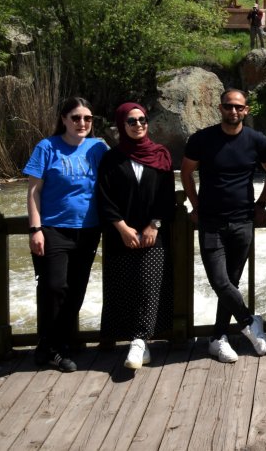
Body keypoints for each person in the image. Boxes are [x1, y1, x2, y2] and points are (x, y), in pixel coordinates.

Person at [181, 89, 266, 363]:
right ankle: (249, 321)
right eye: (227, 106)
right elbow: (186, 172)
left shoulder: (257, 141)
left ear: (246, 110)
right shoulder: (202, 139)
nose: (233, 111)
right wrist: (196, 205)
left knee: (231, 281)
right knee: (220, 281)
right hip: (210, 221)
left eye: (238, 107)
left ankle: (217, 338)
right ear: (220, 108)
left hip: (243, 221)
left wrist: (261, 204)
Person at [25, 97, 108, 372]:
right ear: (63, 119)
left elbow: (118, 177)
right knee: (54, 287)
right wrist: (35, 229)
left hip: (88, 230)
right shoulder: (47, 147)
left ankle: (51, 347)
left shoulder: (99, 148)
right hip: (53, 229)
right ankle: (54, 346)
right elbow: (34, 191)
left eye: (87, 118)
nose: (82, 123)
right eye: (75, 117)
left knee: (76, 290)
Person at [96, 102, 175, 370]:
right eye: (131, 121)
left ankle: (140, 342)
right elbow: (104, 197)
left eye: (142, 119)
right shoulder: (111, 158)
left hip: (153, 232)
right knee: (123, 286)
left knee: (149, 285)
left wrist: (154, 225)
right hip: (121, 233)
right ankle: (129, 341)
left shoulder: (161, 155)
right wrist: (122, 227)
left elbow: (167, 196)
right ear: (121, 125)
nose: (139, 125)